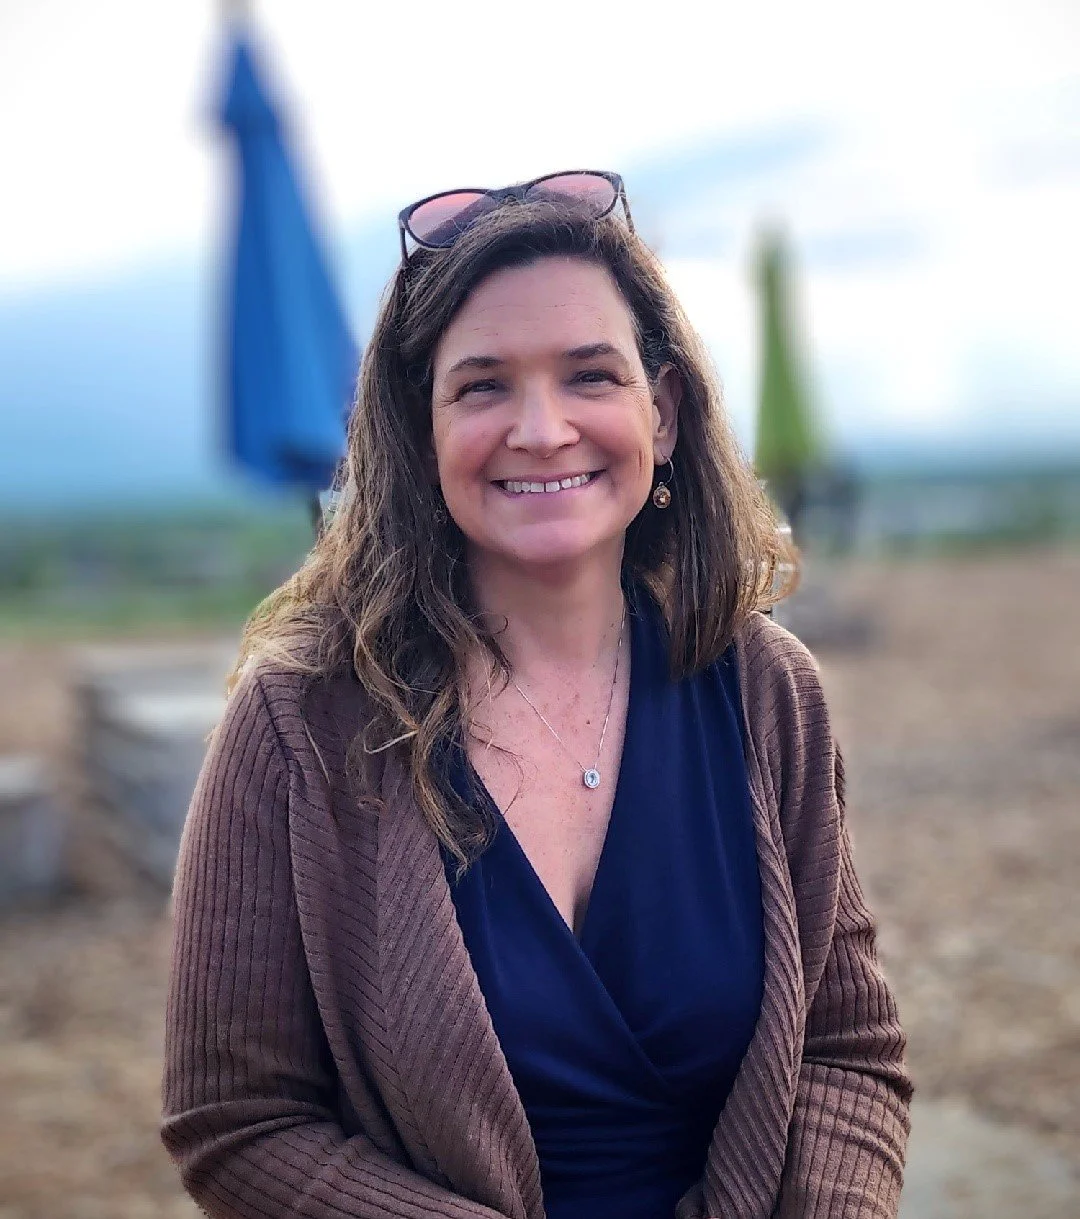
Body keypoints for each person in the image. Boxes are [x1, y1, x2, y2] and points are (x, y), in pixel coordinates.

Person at [161, 170, 912, 1218]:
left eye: (589, 376)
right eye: (482, 386)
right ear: (419, 436)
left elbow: (846, 1047)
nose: (542, 427)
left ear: (666, 412)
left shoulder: (767, 690)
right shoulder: (301, 724)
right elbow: (237, 1118)